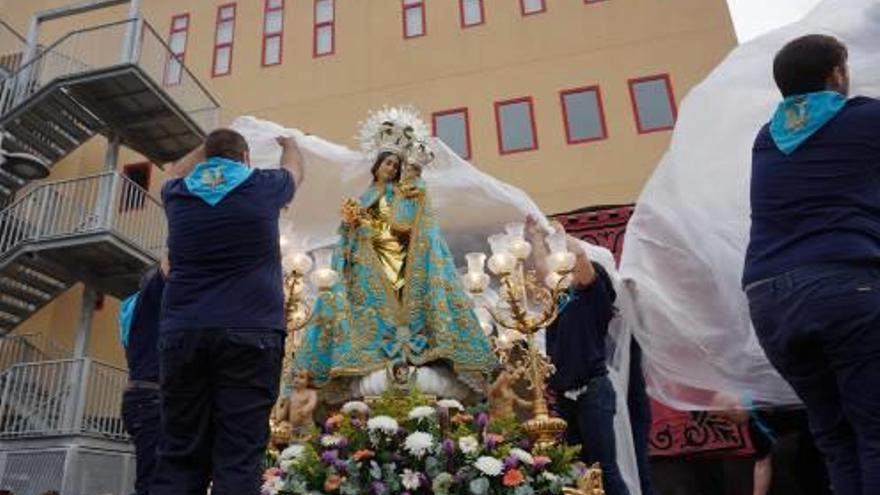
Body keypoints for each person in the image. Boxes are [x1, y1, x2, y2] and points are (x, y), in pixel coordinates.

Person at [743, 34, 880, 495]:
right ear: (835, 75)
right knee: (875, 430)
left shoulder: (767, 139)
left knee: (835, 436)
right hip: (840, 285)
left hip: (767, 297)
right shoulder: (865, 119)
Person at [293, 117, 496, 400]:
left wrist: (414, 176)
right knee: (362, 304)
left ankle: (414, 349)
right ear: (377, 165)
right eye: (387, 163)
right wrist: (353, 225)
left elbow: (406, 222)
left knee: (404, 302)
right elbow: (347, 238)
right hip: (368, 264)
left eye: (395, 166)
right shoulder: (364, 197)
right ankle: (372, 353)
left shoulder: (403, 192)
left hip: (401, 258)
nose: (391, 169)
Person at [151, 129, 303, 495]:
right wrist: (291, 144)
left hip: (183, 333)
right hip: (252, 334)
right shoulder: (263, 186)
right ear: (246, 157)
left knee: (179, 451)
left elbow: (172, 171)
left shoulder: (179, 193)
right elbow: (295, 172)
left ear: (207, 158)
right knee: (239, 453)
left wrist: (203, 148)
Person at [527, 216, 630, 495]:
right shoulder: (562, 300)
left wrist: (559, 237)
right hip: (566, 395)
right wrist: (537, 238)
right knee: (581, 472)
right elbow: (544, 273)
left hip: (592, 392)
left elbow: (581, 258)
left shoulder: (596, 299)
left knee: (603, 469)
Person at [118, 261, 167, 495]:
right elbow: (165, 271)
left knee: (153, 477)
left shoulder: (132, 311)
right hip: (150, 399)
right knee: (152, 480)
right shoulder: (148, 302)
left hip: (142, 398)